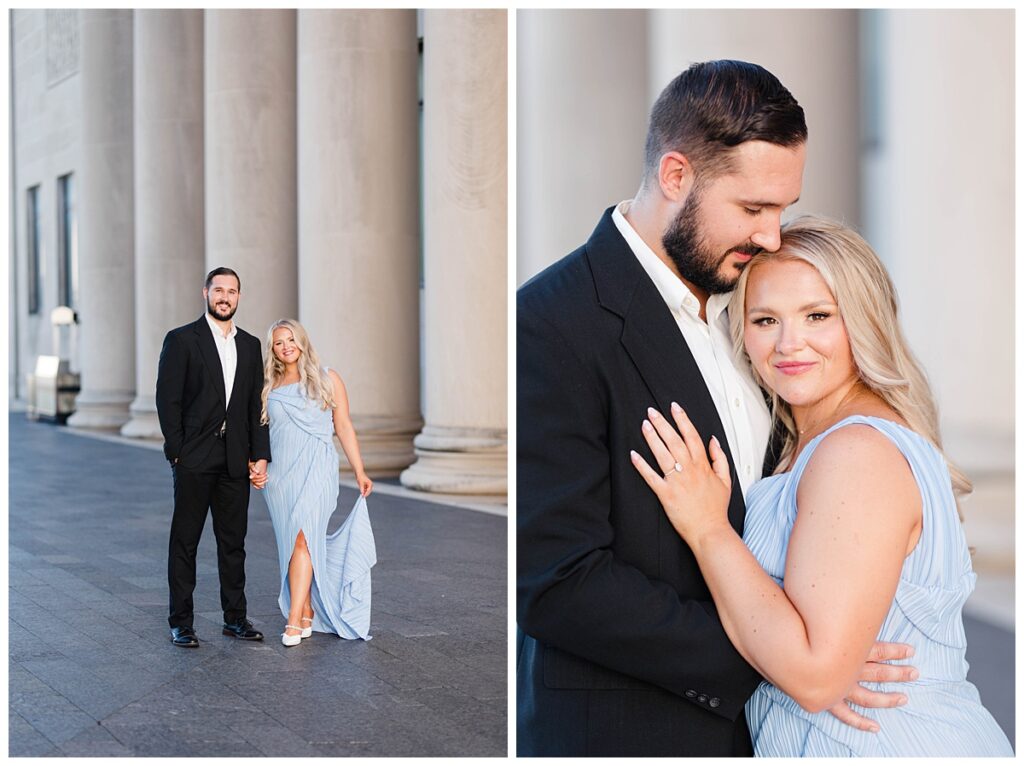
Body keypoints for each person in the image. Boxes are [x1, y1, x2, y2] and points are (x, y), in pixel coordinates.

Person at [517, 60, 916, 757]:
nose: (771, 235)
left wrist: (821, 650)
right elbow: (559, 582)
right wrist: (790, 663)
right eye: (754, 209)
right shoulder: (550, 321)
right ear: (677, 177)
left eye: (784, 210)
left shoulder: (755, 324)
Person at [632, 216, 1013, 756]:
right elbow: (812, 659)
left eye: (818, 315)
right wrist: (792, 669)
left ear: (863, 322)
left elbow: (814, 675)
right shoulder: (807, 442)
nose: (790, 344)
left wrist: (708, 529)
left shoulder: (855, 453)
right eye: (765, 320)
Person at [156, 267, 270, 648]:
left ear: (239, 297)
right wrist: (177, 452)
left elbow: (257, 406)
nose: (225, 297)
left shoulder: (252, 346)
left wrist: (260, 455)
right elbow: (167, 400)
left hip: (235, 459)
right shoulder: (182, 339)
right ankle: (181, 622)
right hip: (194, 459)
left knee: (233, 543)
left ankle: (235, 619)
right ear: (205, 293)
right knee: (185, 541)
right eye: (218, 289)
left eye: (232, 291)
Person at [250, 318, 375, 646]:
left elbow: (344, 426)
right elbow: (260, 432)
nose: (286, 346)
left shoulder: (328, 378)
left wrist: (359, 471)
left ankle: (293, 620)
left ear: (302, 341)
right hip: (280, 478)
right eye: (279, 342)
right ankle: (305, 609)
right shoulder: (268, 385)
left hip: (318, 470)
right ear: (273, 350)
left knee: (305, 538)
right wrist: (257, 464)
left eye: (291, 339)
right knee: (291, 545)